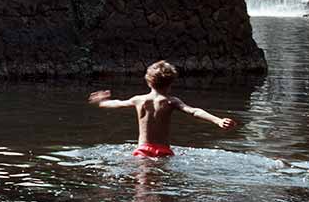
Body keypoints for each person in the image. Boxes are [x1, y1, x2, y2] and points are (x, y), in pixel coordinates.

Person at [88, 60, 238, 157]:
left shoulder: (139, 100)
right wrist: (218, 120)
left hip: (143, 150)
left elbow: (117, 103)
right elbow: (194, 111)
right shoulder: (171, 101)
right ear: (171, 83)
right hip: (163, 151)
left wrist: (102, 102)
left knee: (143, 185)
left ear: (148, 82)